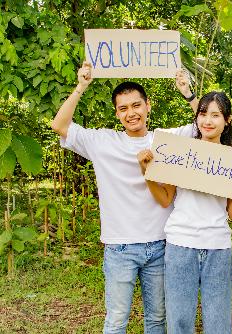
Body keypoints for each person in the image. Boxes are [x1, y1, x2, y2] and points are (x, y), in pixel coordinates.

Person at [50, 62, 194, 334]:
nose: (131, 113)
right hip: (119, 248)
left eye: (136, 105)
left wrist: (187, 93)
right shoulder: (103, 142)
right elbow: (60, 125)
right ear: (117, 113)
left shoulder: (167, 140)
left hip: (161, 245)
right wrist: (81, 85)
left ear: (148, 106)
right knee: (117, 320)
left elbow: (204, 124)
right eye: (123, 108)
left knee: (157, 319)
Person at [138, 91, 232, 334]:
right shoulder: (179, 153)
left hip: (218, 245)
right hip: (180, 244)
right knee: (179, 320)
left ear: (227, 120)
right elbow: (165, 199)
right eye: (203, 114)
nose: (207, 121)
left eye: (215, 115)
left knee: (218, 321)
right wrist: (147, 175)